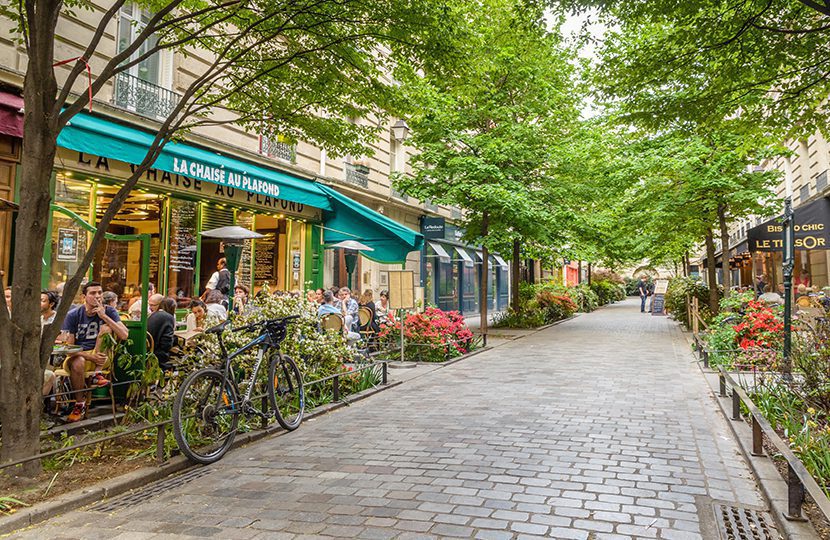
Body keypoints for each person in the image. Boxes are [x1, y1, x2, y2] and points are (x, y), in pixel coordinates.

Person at [59, 281, 129, 422]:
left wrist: (104, 317)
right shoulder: (73, 315)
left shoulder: (109, 311)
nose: (97, 296)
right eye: (92, 293)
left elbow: (124, 335)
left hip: (102, 358)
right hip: (80, 355)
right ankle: (80, 404)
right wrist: (90, 357)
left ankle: (97, 373)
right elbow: (69, 347)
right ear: (83, 296)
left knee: (106, 328)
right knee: (78, 362)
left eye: (99, 293)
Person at [148, 297, 177, 370]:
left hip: (148, 351)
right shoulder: (169, 317)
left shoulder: (152, 315)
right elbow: (166, 345)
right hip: (158, 356)